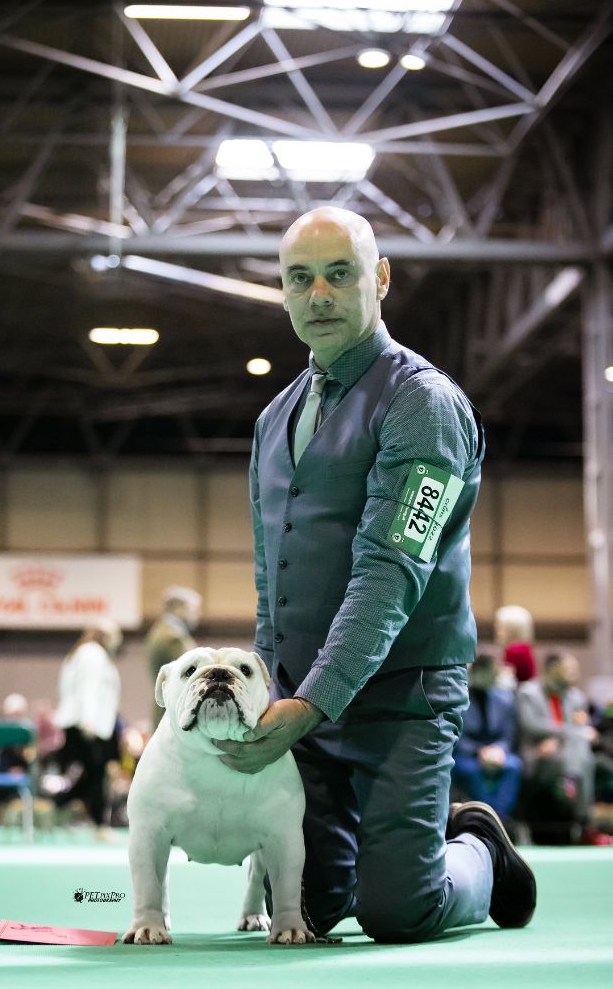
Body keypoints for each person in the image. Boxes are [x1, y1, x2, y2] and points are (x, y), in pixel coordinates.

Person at [214, 207, 536, 942]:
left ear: (381, 277)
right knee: (310, 910)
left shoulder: (423, 403)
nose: (318, 295)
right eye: (300, 279)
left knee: (398, 911)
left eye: (339, 274)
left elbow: (391, 570)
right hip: (303, 698)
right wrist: (267, 687)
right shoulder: (273, 419)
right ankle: (390, 841)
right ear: (282, 291)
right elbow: (272, 578)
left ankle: (476, 846)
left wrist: (311, 703)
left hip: (404, 695)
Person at [53, 618, 123, 839]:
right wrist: (89, 721)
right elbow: (89, 689)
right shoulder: (93, 653)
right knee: (94, 775)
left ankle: (59, 809)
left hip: (83, 722)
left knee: (88, 775)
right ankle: (97, 824)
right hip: (88, 724)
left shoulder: (80, 653)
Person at [517, 652, 597, 844]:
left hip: (568, 756)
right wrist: (571, 733)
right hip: (538, 753)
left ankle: (569, 784)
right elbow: (531, 725)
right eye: (569, 669)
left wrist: (570, 736)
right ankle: (584, 821)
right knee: (579, 745)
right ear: (552, 670)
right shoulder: (528, 692)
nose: (574, 673)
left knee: (581, 751)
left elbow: (582, 726)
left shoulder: (576, 696)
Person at [452, 654, 522, 824]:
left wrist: (498, 750)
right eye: (490, 672)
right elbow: (457, 736)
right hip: (468, 755)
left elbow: (507, 735)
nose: (495, 676)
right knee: (471, 771)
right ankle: (484, 817)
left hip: (497, 754)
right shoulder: (459, 698)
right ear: (476, 672)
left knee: (513, 766)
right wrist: (480, 752)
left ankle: (499, 817)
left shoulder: (504, 700)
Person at [145, 585, 202, 731]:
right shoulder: (172, 637)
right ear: (179, 609)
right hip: (173, 717)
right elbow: (196, 673)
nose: (197, 615)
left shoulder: (159, 631)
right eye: (193, 610)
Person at [495, 605, 537, 687]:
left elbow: (507, 675)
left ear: (511, 630)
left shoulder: (515, 651)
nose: (498, 632)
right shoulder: (525, 648)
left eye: (500, 628)